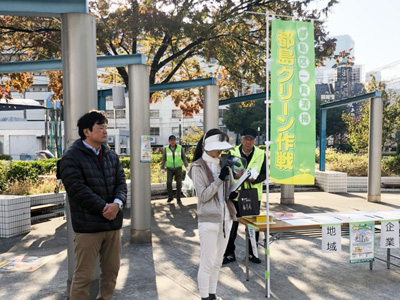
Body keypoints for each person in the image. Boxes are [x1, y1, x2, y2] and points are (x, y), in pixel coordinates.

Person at [60, 110, 127, 300]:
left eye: (106, 127)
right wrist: (104, 208)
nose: (105, 131)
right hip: (88, 227)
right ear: (86, 131)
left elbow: (121, 183)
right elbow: (77, 189)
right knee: (84, 276)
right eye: (101, 127)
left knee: (111, 272)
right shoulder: (71, 157)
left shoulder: (111, 156)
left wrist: (117, 204)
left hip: (112, 224)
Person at [188, 128, 238, 300]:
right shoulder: (197, 167)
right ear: (207, 146)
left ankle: (212, 294)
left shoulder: (223, 163)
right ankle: (204, 297)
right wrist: (219, 179)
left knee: (217, 262)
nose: (221, 151)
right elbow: (202, 196)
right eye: (218, 147)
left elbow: (228, 189)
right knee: (207, 262)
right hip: (208, 220)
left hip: (226, 219)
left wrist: (232, 193)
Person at [223, 127, 266, 265]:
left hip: (253, 195)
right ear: (241, 139)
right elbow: (224, 171)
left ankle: (252, 253)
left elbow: (265, 174)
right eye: (246, 139)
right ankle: (229, 254)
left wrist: (255, 179)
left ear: (255, 141)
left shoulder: (261, 154)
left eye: (251, 139)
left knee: (253, 226)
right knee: (232, 226)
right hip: (236, 194)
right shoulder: (232, 152)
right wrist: (235, 175)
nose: (248, 142)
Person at [161, 134, 189, 204]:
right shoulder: (166, 149)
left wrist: (187, 166)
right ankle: (170, 197)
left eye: (174, 140)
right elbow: (163, 159)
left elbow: (184, 158)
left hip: (178, 168)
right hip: (169, 168)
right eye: (171, 141)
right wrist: (162, 168)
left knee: (179, 183)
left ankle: (178, 198)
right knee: (168, 183)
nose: (173, 142)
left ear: (176, 141)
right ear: (169, 141)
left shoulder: (180, 148)